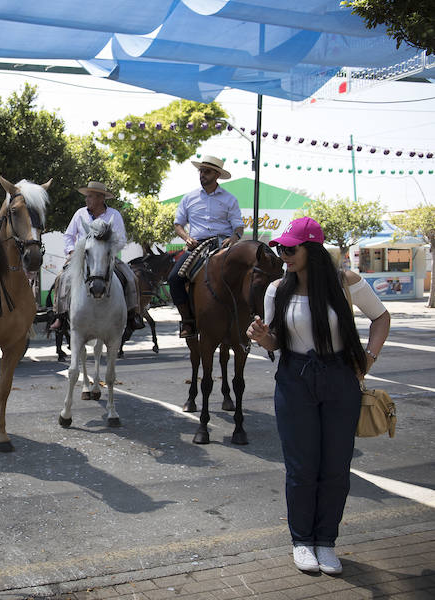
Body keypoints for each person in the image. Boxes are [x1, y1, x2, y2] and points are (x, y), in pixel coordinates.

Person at [246, 217, 390, 575]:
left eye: (290, 248)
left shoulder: (347, 283)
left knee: (336, 468)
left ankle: (326, 541)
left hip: (340, 379)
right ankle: (302, 541)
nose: (283, 254)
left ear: (311, 249)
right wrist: (262, 337)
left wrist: (368, 359)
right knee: (301, 468)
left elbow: (381, 318)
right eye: (281, 248)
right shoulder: (276, 289)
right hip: (294, 381)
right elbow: (276, 340)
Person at [49, 181, 142, 333]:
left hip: (106, 258)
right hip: (80, 257)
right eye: (87, 197)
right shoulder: (80, 214)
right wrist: (72, 251)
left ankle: (133, 315)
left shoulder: (114, 215)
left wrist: (109, 251)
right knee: (62, 278)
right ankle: (60, 315)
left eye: (90, 196)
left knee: (132, 278)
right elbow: (69, 235)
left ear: (101, 198)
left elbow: (121, 239)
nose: (87, 200)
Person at [167, 156, 244, 338]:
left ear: (217, 175)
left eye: (207, 171)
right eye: (201, 171)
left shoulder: (229, 199)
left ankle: (246, 316)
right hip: (198, 245)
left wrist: (234, 238)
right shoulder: (189, 198)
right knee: (174, 278)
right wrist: (186, 238)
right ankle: (187, 321)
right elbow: (178, 224)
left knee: (247, 275)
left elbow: (238, 226)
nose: (202, 175)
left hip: (223, 243)